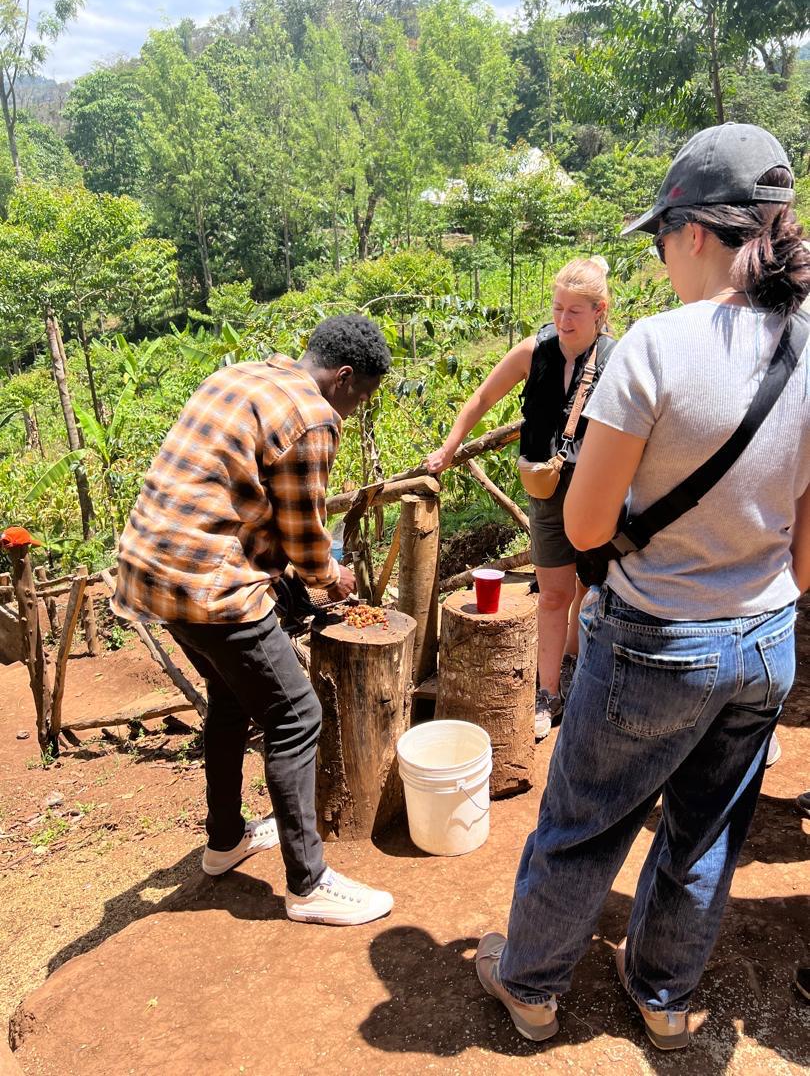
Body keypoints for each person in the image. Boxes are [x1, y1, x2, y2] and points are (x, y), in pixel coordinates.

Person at [475, 123, 810, 1049]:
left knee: (582, 822)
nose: (662, 256)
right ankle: (665, 999)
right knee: (706, 833)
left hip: (657, 640)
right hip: (766, 643)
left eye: (661, 236)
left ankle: (533, 987)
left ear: (695, 231)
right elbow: (807, 559)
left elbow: (583, 527)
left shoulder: (655, 348)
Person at [112, 314, 395, 927]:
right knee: (296, 716)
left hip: (148, 569)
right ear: (344, 378)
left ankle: (224, 841)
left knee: (230, 697)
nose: (357, 410)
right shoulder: (314, 417)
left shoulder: (244, 375)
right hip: (206, 583)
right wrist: (330, 579)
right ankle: (309, 882)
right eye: (363, 396)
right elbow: (304, 536)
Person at [425, 257, 615, 739]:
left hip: (598, 491)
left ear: (600, 311)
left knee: (591, 590)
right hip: (546, 489)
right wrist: (449, 448)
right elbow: (481, 399)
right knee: (553, 594)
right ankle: (547, 692)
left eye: (575, 311)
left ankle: (577, 672)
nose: (564, 320)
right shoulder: (535, 351)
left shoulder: (619, 358)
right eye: (557, 308)